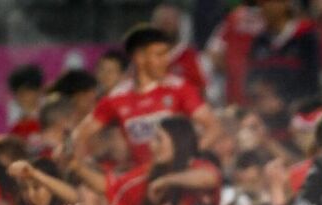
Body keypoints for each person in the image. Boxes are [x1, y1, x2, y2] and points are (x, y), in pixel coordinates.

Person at [71, 24, 216, 167]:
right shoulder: (116, 98)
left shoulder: (179, 89)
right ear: (139, 58)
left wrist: (186, 160)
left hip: (175, 176)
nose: (166, 60)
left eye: (167, 53)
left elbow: (213, 128)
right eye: (159, 54)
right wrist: (84, 166)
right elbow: (79, 136)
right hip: (139, 177)